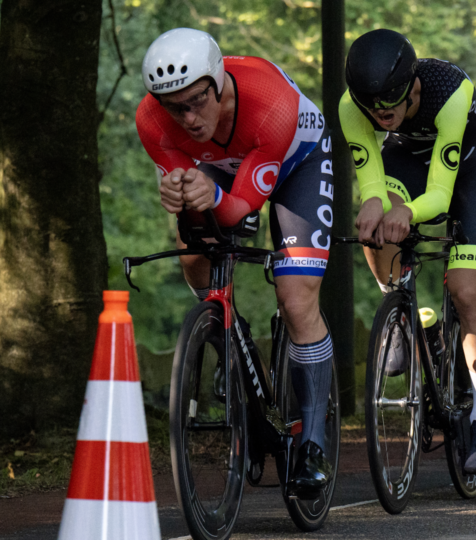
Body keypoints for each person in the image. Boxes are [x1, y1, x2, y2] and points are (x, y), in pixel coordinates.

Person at [135, 28, 334, 496]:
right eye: (174, 107)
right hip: (220, 165)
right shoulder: (151, 120)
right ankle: (229, 337)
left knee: (295, 296)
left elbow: (238, 209)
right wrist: (177, 191)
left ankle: (314, 443)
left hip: (293, 161)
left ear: (218, 82)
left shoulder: (270, 101)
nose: (187, 117)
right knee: (195, 257)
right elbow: (192, 205)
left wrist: (215, 196)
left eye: (197, 101)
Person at [339, 29, 476, 474]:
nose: (381, 111)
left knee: (468, 292)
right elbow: (372, 185)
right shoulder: (350, 108)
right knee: (375, 225)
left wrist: (410, 212)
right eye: (371, 105)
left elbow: (439, 193)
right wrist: (377, 206)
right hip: (407, 157)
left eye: (392, 99)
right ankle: (404, 312)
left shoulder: (449, 92)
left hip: (469, 164)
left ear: (413, 84)